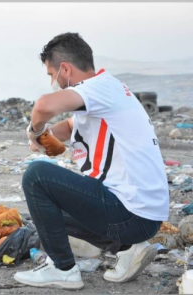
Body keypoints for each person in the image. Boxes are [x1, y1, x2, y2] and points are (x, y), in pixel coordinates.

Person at [13, 32, 169, 290]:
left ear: (65, 69)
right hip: (142, 216)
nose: (54, 81)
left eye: (52, 75)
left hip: (130, 213)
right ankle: (128, 249)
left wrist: (34, 130)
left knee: (36, 176)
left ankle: (62, 270)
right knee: (46, 212)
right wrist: (44, 138)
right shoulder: (108, 93)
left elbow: (43, 106)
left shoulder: (98, 88)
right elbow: (68, 127)